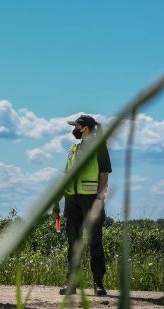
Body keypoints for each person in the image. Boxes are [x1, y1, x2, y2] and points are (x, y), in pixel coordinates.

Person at [53, 114, 111, 296]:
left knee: (95, 242)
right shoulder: (73, 149)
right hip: (71, 200)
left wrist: (99, 199)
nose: (74, 129)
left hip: (91, 200)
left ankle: (98, 284)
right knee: (73, 243)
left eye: (76, 126)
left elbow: (104, 175)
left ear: (85, 128)